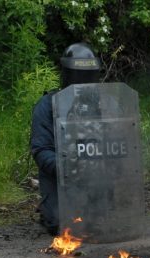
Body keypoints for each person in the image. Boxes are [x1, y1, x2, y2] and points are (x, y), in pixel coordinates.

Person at [30, 43, 101, 235]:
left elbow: (118, 138)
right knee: (59, 224)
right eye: (79, 74)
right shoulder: (47, 106)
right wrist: (67, 167)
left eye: (88, 75)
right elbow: (41, 149)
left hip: (96, 176)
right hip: (60, 175)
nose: (83, 80)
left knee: (105, 222)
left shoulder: (103, 105)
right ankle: (47, 207)